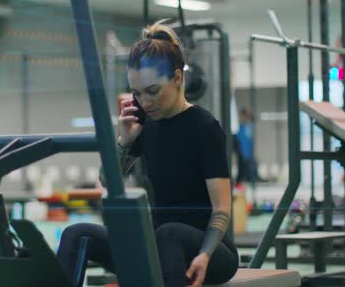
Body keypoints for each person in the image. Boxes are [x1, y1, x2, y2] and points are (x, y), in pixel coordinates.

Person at [57, 20, 238, 287]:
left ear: (177, 78)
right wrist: (125, 141)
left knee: (169, 234)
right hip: (158, 243)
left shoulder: (205, 127)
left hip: (209, 250)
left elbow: (222, 209)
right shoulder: (146, 125)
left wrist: (204, 254)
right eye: (137, 94)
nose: (145, 102)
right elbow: (108, 181)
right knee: (77, 233)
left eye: (153, 91)